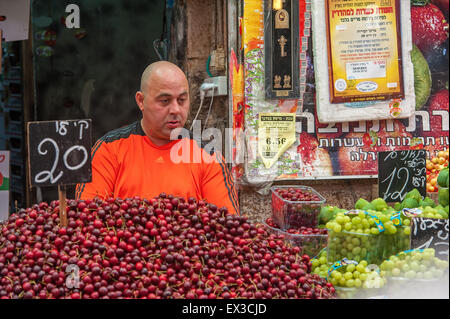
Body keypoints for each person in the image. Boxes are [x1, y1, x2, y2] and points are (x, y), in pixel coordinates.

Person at [75, 61, 239, 215]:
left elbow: (225, 228)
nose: (175, 109)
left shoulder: (207, 158)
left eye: (182, 100)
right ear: (141, 101)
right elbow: (88, 219)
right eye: (165, 101)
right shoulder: (108, 150)